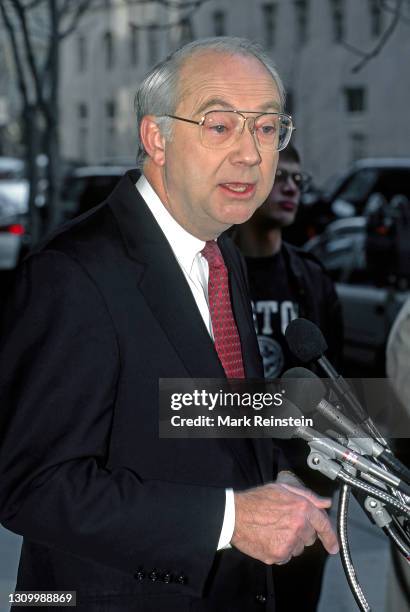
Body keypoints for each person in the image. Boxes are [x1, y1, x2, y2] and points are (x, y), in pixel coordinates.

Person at [0, 38, 338, 612]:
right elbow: (32, 486)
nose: (251, 155)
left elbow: (203, 423)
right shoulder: (72, 273)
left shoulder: (220, 254)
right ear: (156, 138)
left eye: (266, 128)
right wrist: (230, 519)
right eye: (220, 126)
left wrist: (271, 477)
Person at [234, 144, 343, 611]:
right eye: (281, 176)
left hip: (304, 487)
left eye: (300, 179)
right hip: (237, 488)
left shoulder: (311, 278)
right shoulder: (213, 272)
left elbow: (337, 390)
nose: (292, 188)